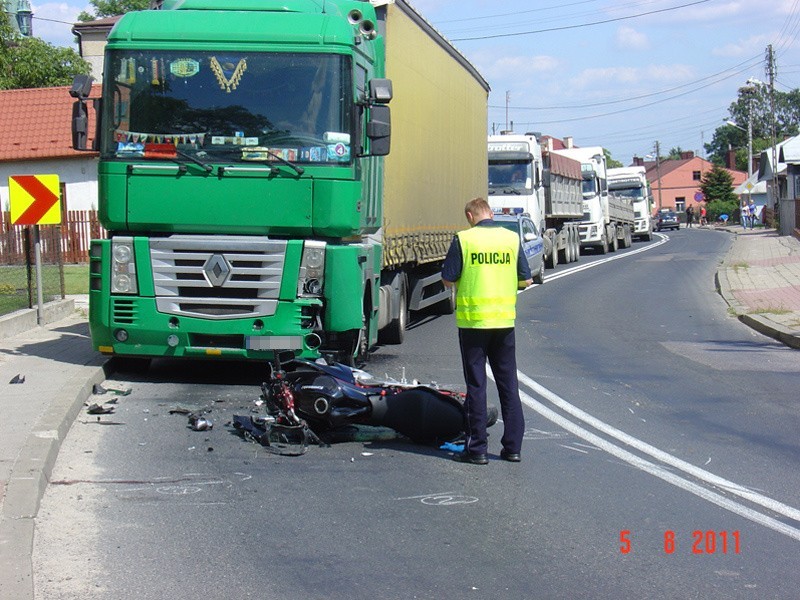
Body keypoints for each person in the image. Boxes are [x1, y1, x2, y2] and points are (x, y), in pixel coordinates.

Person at [441, 198, 533, 465]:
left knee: (477, 385)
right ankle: (513, 448)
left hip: (473, 324)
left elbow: (448, 277)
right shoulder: (511, 239)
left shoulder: (464, 239)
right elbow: (526, 279)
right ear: (491, 214)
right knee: (508, 384)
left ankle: (478, 449)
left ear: (470, 216)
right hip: (504, 323)